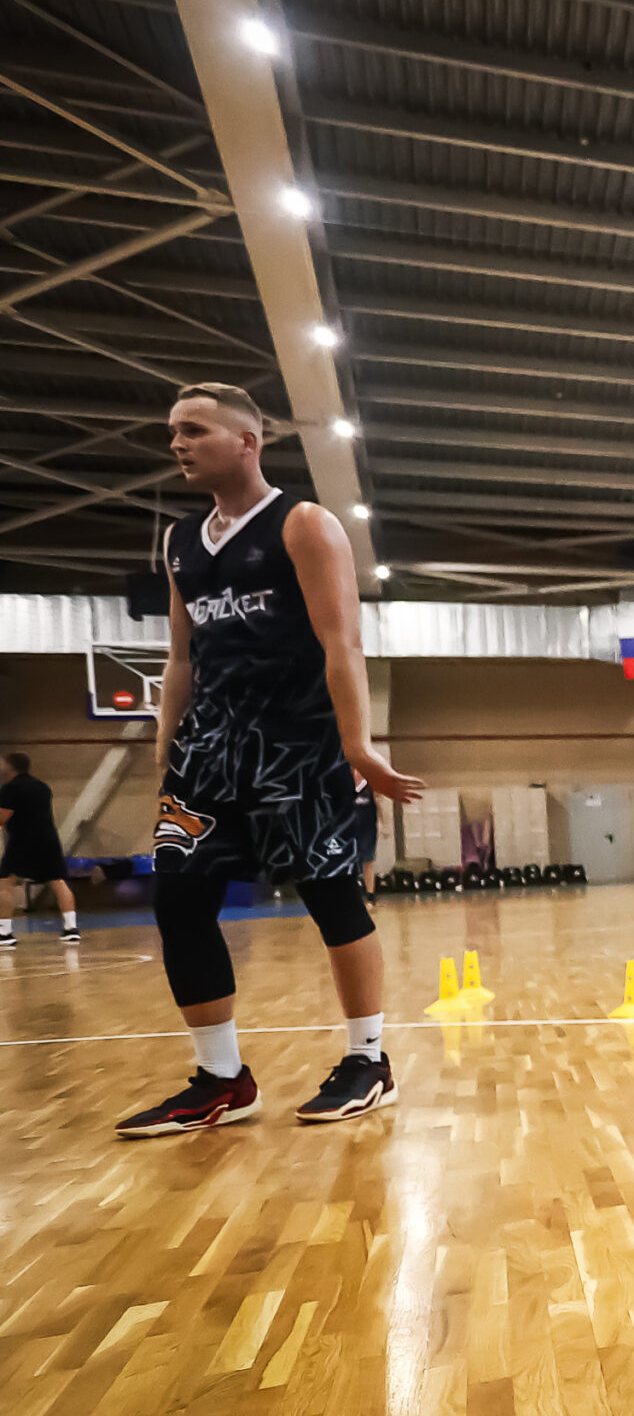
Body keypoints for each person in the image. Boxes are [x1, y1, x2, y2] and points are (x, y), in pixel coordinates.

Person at [114, 383, 424, 1138]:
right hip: (207, 754)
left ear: (247, 441)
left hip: (299, 745)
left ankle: (368, 1059)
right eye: (172, 433)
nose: (178, 444)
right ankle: (221, 1079)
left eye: (194, 430)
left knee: (331, 896)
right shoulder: (181, 541)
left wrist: (358, 745)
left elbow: (341, 643)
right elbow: (182, 654)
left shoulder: (304, 525)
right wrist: (167, 739)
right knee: (179, 902)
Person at [0, 751, 79, 947]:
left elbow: (2, 818)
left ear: (10, 766)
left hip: (22, 839)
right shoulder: (43, 787)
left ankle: (4, 932)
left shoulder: (9, 789)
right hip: (48, 839)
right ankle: (71, 929)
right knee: (58, 881)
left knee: (6, 882)